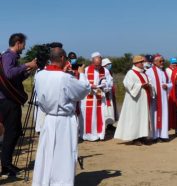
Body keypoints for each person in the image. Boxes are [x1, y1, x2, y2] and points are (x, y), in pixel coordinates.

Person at [32, 48, 90, 186]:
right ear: (63, 58)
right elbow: (83, 90)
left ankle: (44, 180)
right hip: (64, 120)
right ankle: (62, 182)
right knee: (64, 154)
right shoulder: (65, 78)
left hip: (49, 119)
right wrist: (81, 74)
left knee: (47, 153)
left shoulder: (40, 75)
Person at [0, 33, 37, 177]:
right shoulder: (9, 56)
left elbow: (15, 78)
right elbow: (9, 74)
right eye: (23, 44)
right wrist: (27, 64)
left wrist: (29, 70)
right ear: (18, 43)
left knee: (14, 132)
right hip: (7, 101)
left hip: (8, 100)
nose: (25, 47)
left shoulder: (10, 57)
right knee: (11, 133)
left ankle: (7, 164)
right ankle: (6, 166)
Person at [114, 56, 152, 145]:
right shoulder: (131, 73)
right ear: (136, 64)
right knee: (135, 118)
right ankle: (135, 138)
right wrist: (141, 85)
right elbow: (127, 84)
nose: (143, 63)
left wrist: (149, 85)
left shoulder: (144, 73)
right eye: (141, 62)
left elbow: (150, 82)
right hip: (134, 100)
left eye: (143, 62)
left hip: (143, 99)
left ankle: (143, 136)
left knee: (143, 117)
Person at [80, 52, 113, 141]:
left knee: (99, 115)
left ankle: (99, 134)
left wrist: (105, 86)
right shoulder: (86, 70)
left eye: (99, 65)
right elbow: (82, 82)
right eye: (96, 65)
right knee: (89, 115)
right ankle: (87, 135)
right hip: (88, 97)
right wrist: (91, 85)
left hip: (100, 97)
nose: (98, 67)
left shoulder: (105, 71)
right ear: (92, 62)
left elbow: (110, 82)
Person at [146, 54, 172, 141]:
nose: (162, 63)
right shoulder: (149, 72)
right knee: (154, 115)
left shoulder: (164, 72)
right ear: (154, 62)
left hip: (163, 98)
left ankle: (163, 135)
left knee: (164, 115)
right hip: (155, 98)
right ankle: (155, 136)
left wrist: (167, 86)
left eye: (163, 61)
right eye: (160, 61)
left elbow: (170, 83)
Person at [102, 58, 118, 123]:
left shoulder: (110, 72)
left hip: (110, 93)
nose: (110, 65)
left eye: (110, 64)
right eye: (108, 64)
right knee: (105, 109)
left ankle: (110, 122)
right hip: (104, 94)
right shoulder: (102, 72)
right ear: (104, 65)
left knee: (111, 108)